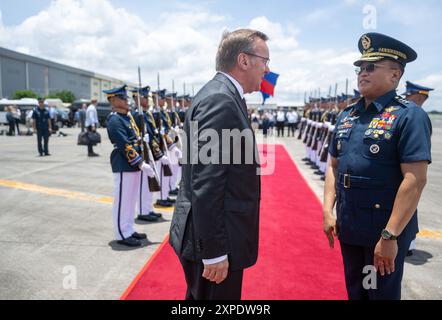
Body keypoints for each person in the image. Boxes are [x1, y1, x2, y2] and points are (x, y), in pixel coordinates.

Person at [323, 33, 431, 300]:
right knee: (357, 293)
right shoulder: (347, 115)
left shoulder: (409, 116)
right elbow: (333, 165)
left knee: (378, 295)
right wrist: (327, 209)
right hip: (350, 224)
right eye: (360, 67)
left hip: (381, 230)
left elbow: (414, 180)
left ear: (395, 75)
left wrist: (390, 235)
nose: (362, 72)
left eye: (371, 67)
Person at [169, 28, 268, 300]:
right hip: (215, 240)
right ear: (244, 60)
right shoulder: (221, 100)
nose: (267, 69)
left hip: (214, 233)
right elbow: (207, 181)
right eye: (265, 61)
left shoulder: (223, 94)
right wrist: (214, 251)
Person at [105, 85, 155, 247]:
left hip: (132, 165)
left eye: (126, 98)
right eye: (123, 98)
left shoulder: (127, 117)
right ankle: (121, 233)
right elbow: (124, 144)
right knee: (123, 200)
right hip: (123, 163)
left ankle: (128, 229)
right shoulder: (114, 119)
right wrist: (140, 162)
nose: (127, 101)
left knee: (131, 199)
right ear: (113, 100)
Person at [402, 81, 434, 256]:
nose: (406, 98)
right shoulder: (410, 113)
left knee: (408, 206)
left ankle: (409, 244)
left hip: (410, 169)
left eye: (409, 95)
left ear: (420, 97)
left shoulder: (417, 116)